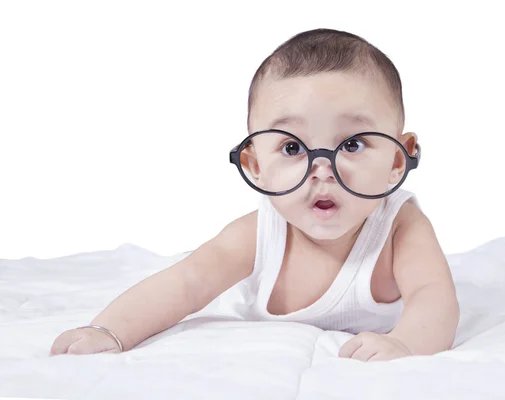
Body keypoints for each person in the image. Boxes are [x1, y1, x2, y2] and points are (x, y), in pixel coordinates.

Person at [51, 28, 459, 362]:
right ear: (254, 165)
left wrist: (405, 345)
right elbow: (186, 283)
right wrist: (110, 330)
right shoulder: (259, 233)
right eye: (292, 148)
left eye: (352, 145)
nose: (322, 169)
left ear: (397, 159)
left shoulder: (399, 227)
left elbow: (434, 296)